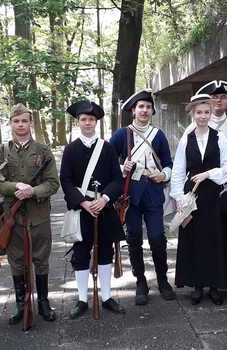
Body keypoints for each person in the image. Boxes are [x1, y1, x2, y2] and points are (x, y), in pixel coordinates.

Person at [0, 103, 59, 326]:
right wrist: (16, 188)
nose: (20, 125)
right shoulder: (2, 151)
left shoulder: (43, 151)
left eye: (24, 121)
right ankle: (21, 305)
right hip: (13, 218)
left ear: (31, 123)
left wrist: (33, 191)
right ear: (10, 124)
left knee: (41, 260)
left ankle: (43, 303)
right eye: (16, 121)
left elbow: (53, 183)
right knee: (17, 262)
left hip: (38, 216)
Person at [109, 89, 176, 306]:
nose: (145, 110)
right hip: (130, 195)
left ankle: (163, 280)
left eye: (148, 107)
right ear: (133, 110)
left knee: (157, 238)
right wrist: (121, 167)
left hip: (153, 192)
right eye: (141, 107)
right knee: (134, 237)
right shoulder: (122, 134)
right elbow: (107, 162)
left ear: (152, 110)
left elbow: (168, 162)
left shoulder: (159, 135)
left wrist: (163, 174)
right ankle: (140, 282)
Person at [60, 100, 126, 319]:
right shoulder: (70, 149)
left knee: (106, 251)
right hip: (82, 209)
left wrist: (105, 198)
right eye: (83, 119)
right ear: (78, 122)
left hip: (103, 208)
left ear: (96, 122)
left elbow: (117, 179)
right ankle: (82, 299)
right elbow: (66, 180)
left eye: (91, 119)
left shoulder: (106, 148)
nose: (87, 123)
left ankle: (106, 297)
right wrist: (82, 201)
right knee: (80, 253)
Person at [170, 94, 227, 305]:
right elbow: (178, 170)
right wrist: (179, 196)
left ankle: (215, 285)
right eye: (199, 112)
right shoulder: (185, 139)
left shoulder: (219, 137)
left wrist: (209, 173)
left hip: (213, 194)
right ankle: (197, 285)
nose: (203, 116)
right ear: (192, 113)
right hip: (192, 196)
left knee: (214, 238)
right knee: (194, 240)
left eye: (206, 112)